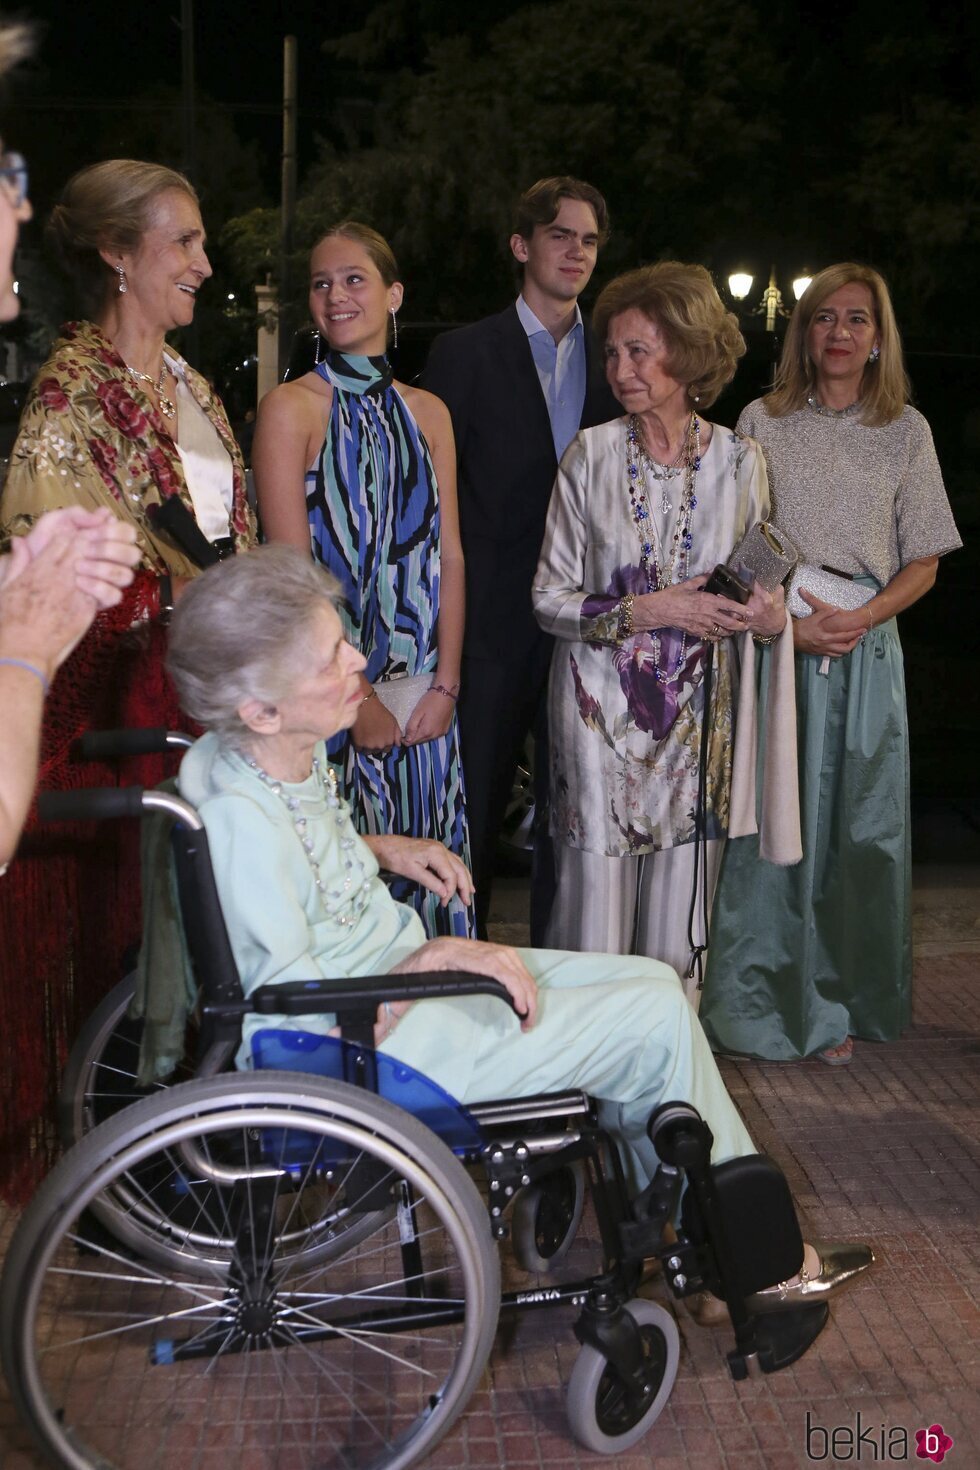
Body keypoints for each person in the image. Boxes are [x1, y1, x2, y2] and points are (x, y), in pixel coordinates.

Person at [167, 543, 872, 1315]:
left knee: (655, 983)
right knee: (652, 1023)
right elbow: (279, 993)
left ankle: (695, 1234)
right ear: (261, 708)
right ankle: (751, 1262)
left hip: (384, 994)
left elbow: (290, 862)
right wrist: (428, 961)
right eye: (330, 654)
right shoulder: (241, 819)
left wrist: (379, 848)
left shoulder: (254, 757)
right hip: (367, 1049)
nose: (358, 656)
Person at [0, 158, 256, 1200]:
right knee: (126, 941)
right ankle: (124, 1164)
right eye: (182, 242)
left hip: (205, 697)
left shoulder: (192, 387)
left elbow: (232, 538)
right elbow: (58, 574)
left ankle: (200, 1129)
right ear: (116, 254)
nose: (202, 261)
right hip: (118, 708)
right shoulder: (71, 395)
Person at [700, 264, 961, 1065]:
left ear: (879, 337)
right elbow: (741, 546)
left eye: (856, 319)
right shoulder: (761, 420)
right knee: (774, 826)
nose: (840, 333)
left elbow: (926, 559)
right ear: (803, 335)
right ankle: (764, 998)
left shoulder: (906, 430)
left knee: (862, 832)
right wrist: (786, 629)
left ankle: (847, 998)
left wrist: (862, 617)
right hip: (781, 642)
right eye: (823, 319)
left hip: (865, 647)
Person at [533, 262, 795, 979]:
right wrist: (649, 609)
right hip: (596, 731)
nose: (619, 368)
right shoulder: (587, 455)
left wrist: (767, 616)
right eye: (611, 352)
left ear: (685, 354)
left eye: (637, 351)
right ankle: (584, 1089)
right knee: (594, 936)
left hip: (701, 731)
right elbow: (548, 599)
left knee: (682, 945)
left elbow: (762, 596)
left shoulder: (745, 464)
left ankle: (668, 1088)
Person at [253, 221, 472, 939]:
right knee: (358, 910)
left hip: (426, 706)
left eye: (354, 279)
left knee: (438, 890)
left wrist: (447, 688)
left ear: (394, 294)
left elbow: (452, 556)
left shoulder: (429, 412)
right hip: (336, 703)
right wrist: (360, 699)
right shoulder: (291, 409)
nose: (336, 294)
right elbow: (292, 576)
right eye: (321, 282)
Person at [422, 177, 621, 943]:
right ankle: (457, 964)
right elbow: (433, 503)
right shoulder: (463, 354)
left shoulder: (617, 357)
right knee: (471, 808)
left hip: (588, 626)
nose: (576, 251)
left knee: (575, 818)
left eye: (590, 240)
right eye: (560, 235)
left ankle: (559, 974)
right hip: (490, 627)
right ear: (522, 245)